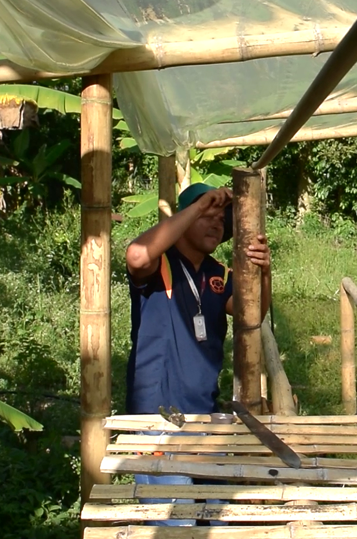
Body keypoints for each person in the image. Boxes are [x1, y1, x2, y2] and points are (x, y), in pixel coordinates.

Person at [124, 183, 272, 526]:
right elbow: (135, 255)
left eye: (222, 217)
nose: (217, 222)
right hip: (158, 419)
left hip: (205, 417)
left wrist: (265, 272)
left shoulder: (218, 274)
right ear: (184, 216)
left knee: (214, 521)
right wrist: (200, 203)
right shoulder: (160, 264)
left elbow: (252, 314)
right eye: (207, 213)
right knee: (173, 524)